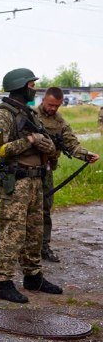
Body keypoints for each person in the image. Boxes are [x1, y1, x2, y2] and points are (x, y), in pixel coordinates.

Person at [0, 68, 62, 303]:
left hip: (36, 180)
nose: (34, 89)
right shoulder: (2, 115)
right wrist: (30, 140)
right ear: (20, 86)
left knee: (35, 232)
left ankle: (33, 276)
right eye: (31, 85)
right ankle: (4, 282)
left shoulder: (29, 113)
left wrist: (48, 146)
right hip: (16, 182)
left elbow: (44, 141)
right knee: (13, 233)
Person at [34, 87, 99, 262]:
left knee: (45, 210)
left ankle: (43, 247)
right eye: (50, 105)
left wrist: (86, 155)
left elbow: (71, 144)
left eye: (57, 105)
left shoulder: (60, 122)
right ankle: (25, 250)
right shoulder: (30, 115)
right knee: (26, 211)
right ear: (43, 100)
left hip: (46, 171)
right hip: (26, 172)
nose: (53, 108)